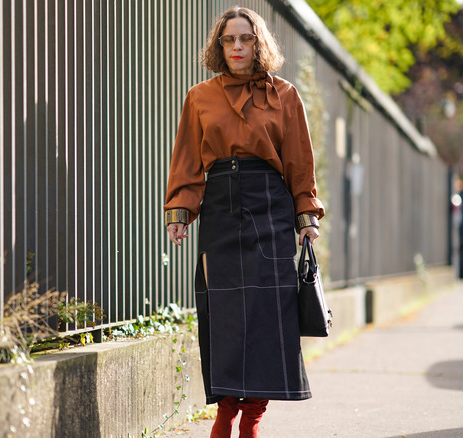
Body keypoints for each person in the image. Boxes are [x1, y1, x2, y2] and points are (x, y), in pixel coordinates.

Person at [163, 7, 324, 438]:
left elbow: (299, 162)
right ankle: (225, 411)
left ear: (259, 43)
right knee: (226, 316)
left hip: (270, 209)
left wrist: (306, 216)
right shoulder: (199, 97)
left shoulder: (285, 94)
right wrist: (180, 213)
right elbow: (187, 161)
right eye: (229, 40)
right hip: (220, 209)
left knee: (269, 317)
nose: (237, 47)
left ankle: (253, 417)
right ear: (219, 46)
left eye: (245, 39)